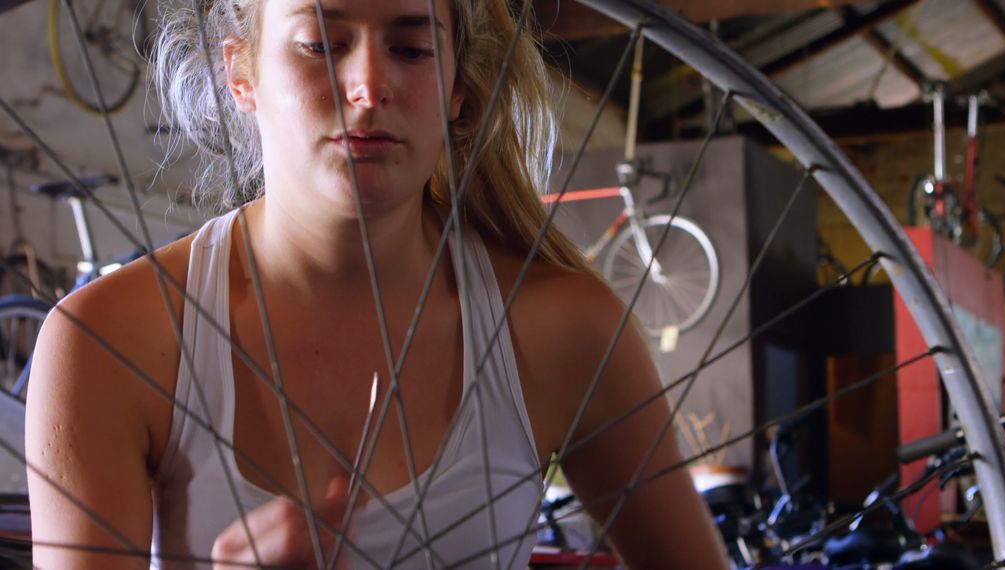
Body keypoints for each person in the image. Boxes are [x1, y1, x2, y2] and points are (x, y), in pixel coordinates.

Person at [26, 0, 728, 568]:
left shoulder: (560, 329)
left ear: (458, 88)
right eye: (320, 43)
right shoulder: (108, 341)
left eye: (412, 48)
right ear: (239, 74)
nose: (368, 87)